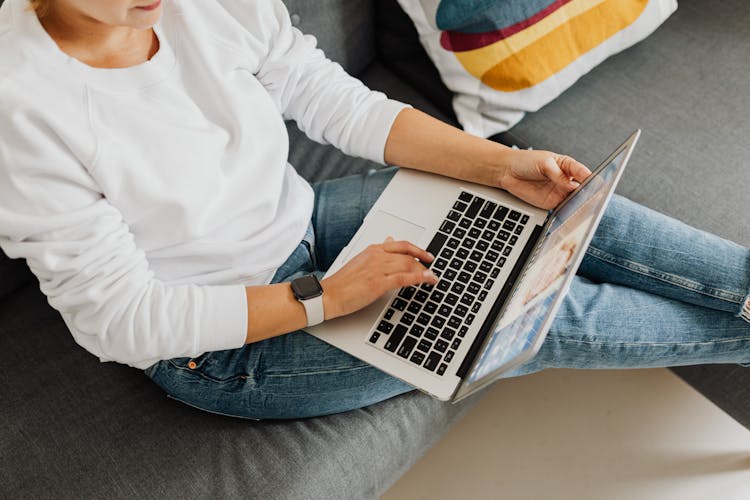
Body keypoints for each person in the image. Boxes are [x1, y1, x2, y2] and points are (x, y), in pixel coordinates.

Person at [0, 0, 748, 420]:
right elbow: (123, 323)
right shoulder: (21, 105)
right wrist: (324, 297)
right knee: (531, 312)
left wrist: (503, 163)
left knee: (563, 203)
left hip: (304, 219)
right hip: (224, 340)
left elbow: (333, 100)